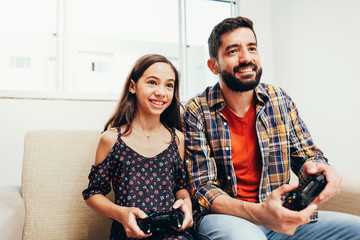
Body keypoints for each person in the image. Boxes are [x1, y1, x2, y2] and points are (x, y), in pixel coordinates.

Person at [182, 16, 360, 239]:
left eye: (252, 48)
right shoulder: (196, 110)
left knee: (356, 229)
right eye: (233, 51)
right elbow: (202, 188)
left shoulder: (279, 99)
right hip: (228, 218)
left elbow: (307, 154)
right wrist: (260, 213)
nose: (246, 58)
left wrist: (317, 169)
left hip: (280, 214)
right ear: (213, 65)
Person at [83, 54, 193, 240]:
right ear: (133, 86)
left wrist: (187, 203)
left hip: (173, 233)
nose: (161, 92)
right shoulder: (111, 139)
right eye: (152, 82)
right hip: (130, 234)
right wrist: (121, 214)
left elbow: (180, 187)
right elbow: (93, 193)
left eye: (169, 85)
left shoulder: (177, 139)